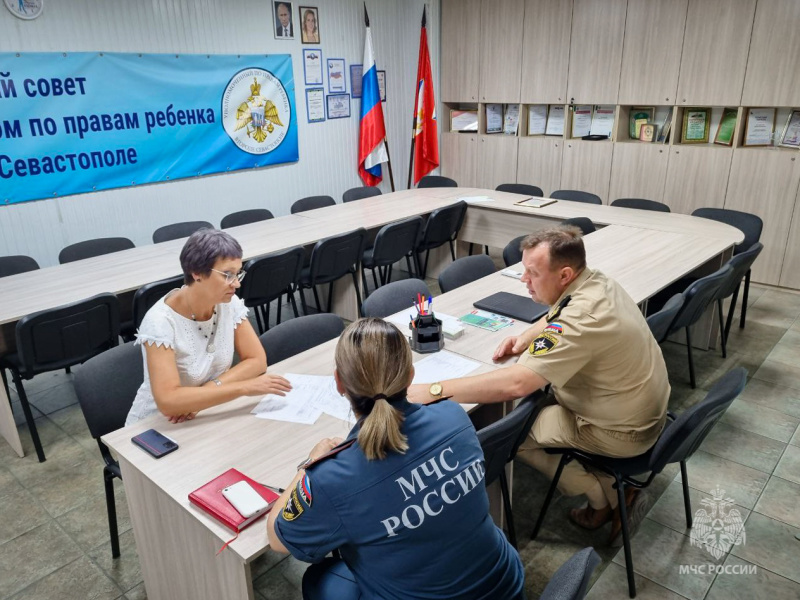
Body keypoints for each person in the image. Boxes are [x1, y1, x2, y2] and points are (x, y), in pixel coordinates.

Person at [407, 226, 670, 546]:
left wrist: (434, 390)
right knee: (522, 408)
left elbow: (518, 383)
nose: (523, 280)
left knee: (509, 435)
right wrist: (524, 337)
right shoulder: (594, 281)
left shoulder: (583, 318)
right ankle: (611, 488)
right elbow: (558, 313)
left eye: (532, 272)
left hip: (620, 431)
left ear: (564, 274)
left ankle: (606, 498)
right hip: (638, 408)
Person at [267, 318, 525, 600]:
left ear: (340, 383)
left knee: (320, 578)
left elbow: (279, 539)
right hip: (504, 586)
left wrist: (309, 466)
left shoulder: (332, 477)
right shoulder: (452, 415)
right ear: (411, 375)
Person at [125, 229, 291, 426]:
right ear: (197, 273)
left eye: (238, 274)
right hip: (159, 423)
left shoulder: (228, 303)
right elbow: (169, 401)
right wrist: (243, 387)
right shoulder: (160, 322)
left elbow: (257, 361)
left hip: (206, 411)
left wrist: (204, 395)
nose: (236, 284)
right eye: (227, 275)